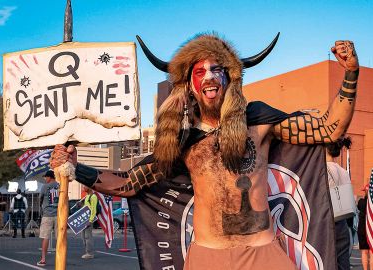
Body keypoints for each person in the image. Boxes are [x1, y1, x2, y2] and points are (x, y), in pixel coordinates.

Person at [50, 35, 359, 269]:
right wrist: (75, 169)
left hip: (262, 252)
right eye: (200, 71)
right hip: (208, 257)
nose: (210, 76)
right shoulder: (183, 141)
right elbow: (129, 183)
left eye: (217, 69)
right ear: (190, 85)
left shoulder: (258, 119)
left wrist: (350, 73)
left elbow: (329, 129)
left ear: (230, 78)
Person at [325, 137, 353, 270]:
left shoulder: (322, 170)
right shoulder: (344, 172)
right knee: (343, 262)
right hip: (343, 222)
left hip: (327, 223)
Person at [37, 170, 59, 267]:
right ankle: (60, 259)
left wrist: (42, 207)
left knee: (45, 237)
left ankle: (43, 259)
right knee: (59, 238)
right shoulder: (60, 185)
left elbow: (40, 198)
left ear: (50, 177)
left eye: (46, 177)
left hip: (47, 214)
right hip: (58, 215)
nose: (45, 179)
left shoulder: (45, 186)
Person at [81, 185, 97, 259]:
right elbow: (86, 207)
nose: (83, 188)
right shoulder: (87, 196)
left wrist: (90, 221)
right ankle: (87, 252)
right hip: (84, 220)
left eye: (84, 186)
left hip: (89, 220)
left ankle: (90, 253)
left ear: (89, 187)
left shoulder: (93, 197)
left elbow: (93, 210)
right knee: (83, 237)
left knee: (88, 237)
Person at [358, 184, 371, 270]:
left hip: (362, 229)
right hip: (371, 229)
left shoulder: (361, 202)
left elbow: (358, 207)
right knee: (371, 251)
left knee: (364, 252)